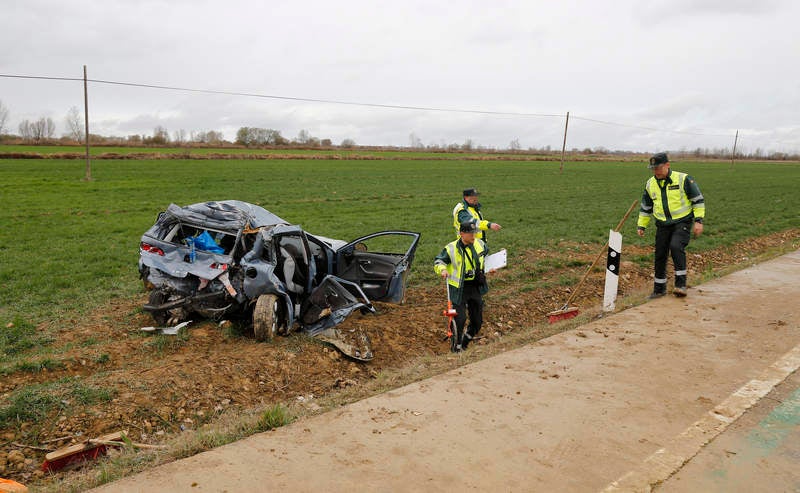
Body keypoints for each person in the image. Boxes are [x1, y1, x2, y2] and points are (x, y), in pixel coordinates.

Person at [637, 152, 705, 298]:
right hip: (662, 225)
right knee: (660, 254)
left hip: (682, 222)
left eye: (658, 168)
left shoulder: (683, 179)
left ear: (667, 165)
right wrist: (641, 226)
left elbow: (698, 200)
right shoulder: (650, 184)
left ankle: (680, 285)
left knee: (676, 246)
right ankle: (659, 289)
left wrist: (699, 221)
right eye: (653, 168)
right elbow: (646, 207)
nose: (656, 171)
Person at [434, 221, 489, 352]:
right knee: (460, 319)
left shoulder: (480, 244)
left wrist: (492, 267)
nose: (473, 236)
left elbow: (487, 257)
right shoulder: (451, 248)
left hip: (475, 286)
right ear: (462, 234)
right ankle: (456, 348)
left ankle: (464, 342)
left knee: (477, 321)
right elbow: (438, 261)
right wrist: (442, 270)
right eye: (470, 233)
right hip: (459, 288)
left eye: (474, 233)